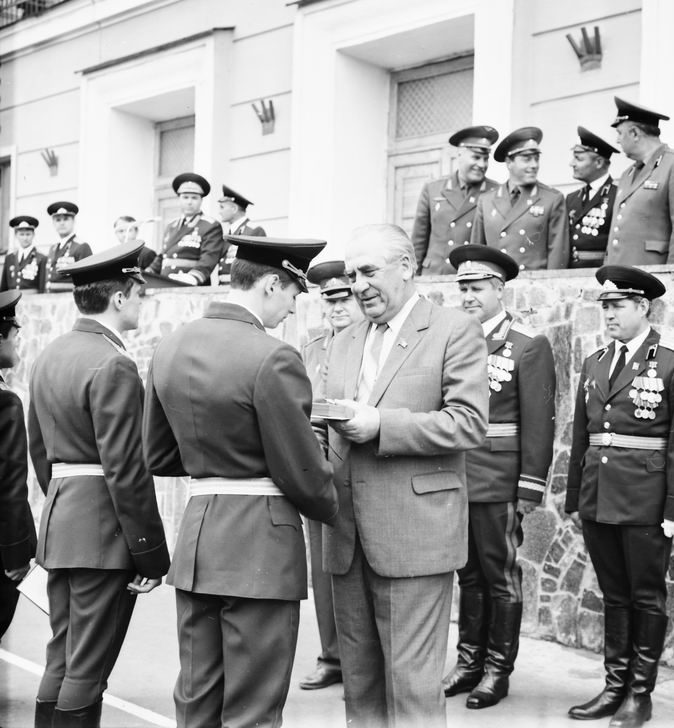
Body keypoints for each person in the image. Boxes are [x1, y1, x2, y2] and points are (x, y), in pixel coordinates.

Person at [143, 235, 339, 728]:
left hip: (198, 539)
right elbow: (301, 471)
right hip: (260, 545)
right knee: (253, 710)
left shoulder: (170, 347)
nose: (292, 308)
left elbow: (159, 453)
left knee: (197, 702)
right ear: (271, 284)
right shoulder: (274, 356)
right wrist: (332, 503)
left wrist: (215, 460)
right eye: (292, 293)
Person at [322, 223, 489, 728]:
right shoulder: (344, 339)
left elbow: (468, 423)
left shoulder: (453, 329)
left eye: (368, 271)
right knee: (360, 689)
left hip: (414, 536)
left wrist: (381, 425)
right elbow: (322, 425)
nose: (358, 285)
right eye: (352, 275)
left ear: (407, 267)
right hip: (346, 536)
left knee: (413, 691)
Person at [28, 241, 170, 728]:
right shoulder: (114, 363)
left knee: (62, 656)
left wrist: (66, 507)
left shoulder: (49, 355)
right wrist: (150, 552)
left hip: (63, 523)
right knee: (88, 668)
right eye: (140, 293)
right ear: (119, 297)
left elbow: (39, 452)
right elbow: (126, 468)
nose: (142, 302)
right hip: (102, 536)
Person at [565, 265, 674, 728]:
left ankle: (639, 696)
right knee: (614, 595)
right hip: (598, 496)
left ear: (643, 307)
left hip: (646, 500)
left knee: (645, 597)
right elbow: (582, 434)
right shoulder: (596, 361)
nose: (608, 314)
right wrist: (575, 498)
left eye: (617, 305)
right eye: (604, 306)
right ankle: (614, 687)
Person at [443, 244, 556, 710]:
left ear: (499, 290)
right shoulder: (454, 338)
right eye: (463, 289)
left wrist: (531, 485)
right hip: (458, 475)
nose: (468, 297)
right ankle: (468, 662)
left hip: (498, 478)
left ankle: (496, 670)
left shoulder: (527, 344)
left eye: (477, 288)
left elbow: (539, 423)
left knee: (500, 576)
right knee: (468, 575)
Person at [297, 260, 363, 691]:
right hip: (321, 470)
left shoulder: (370, 342)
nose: (337, 308)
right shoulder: (312, 346)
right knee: (323, 569)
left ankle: (362, 661)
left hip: (360, 465)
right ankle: (333, 655)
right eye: (329, 300)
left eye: (344, 299)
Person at [606, 97, 674, 265]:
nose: (617, 140)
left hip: (652, 275)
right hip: (619, 274)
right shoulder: (627, 174)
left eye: (620, 133)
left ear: (634, 133)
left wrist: (673, 276)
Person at [471, 127, 568, 271]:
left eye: (536, 159)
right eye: (527, 159)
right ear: (509, 162)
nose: (534, 165)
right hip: (495, 280)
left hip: (533, 283)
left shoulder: (552, 199)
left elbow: (557, 254)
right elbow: (477, 253)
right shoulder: (486, 201)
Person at [411, 125, 499, 275]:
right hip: (433, 275)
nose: (482, 165)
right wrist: (413, 277)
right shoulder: (433, 188)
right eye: (476, 157)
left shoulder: (495, 192)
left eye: (486, 159)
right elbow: (418, 241)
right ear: (460, 154)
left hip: (470, 276)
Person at [0, 290, 36, 644]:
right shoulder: (5, 403)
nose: (18, 341)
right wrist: (16, 555)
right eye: (14, 334)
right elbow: (10, 486)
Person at [147, 173, 224, 285]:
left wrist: (193, 278)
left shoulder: (210, 226)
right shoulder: (171, 226)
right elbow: (163, 256)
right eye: (185, 197)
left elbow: (209, 258)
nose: (189, 202)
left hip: (190, 285)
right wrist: (148, 273)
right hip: (166, 283)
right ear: (179, 199)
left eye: (194, 198)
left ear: (201, 200)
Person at [567, 127, 619, 269]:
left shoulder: (618, 196)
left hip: (600, 271)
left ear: (599, 163)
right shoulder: (572, 198)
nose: (572, 163)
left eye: (578, 159)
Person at [216, 184, 266, 285]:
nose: (219, 212)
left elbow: (258, 267)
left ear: (234, 209)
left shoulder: (254, 231)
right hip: (225, 286)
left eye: (222, 207)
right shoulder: (229, 232)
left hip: (242, 287)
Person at [44, 202, 92, 293]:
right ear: (53, 223)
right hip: (50, 298)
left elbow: (86, 283)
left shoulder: (81, 246)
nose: (62, 223)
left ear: (73, 221)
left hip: (70, 298)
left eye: (66, 219)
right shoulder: (53, 248)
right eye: (58, 220)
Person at [1, 216, 47, 292]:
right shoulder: (9, 258)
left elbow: (42, 286)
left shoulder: (41, 258)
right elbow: (4, 286)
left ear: (33, 235)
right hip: (11, 298)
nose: (25, 238)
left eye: (28, 234)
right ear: (16, 235)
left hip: (32, 298)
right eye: (21, 234)